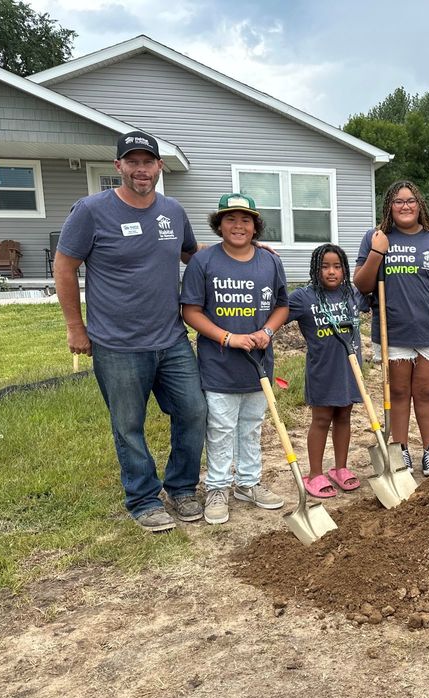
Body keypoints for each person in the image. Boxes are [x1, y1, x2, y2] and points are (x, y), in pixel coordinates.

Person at [54, 130, 207, 533]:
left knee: (194, 411)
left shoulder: (173, 211)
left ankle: (182, 487)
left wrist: (246, 248)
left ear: (159, 166)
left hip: (171, 338)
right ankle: (142, 499)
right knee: (128, 424)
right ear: (118, 166)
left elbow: (193, 254)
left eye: (148, 161)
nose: (141, 169)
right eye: (133, 161)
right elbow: (64, 266)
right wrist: (75, 326)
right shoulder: (90, 211)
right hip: (117, 344)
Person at [180, 193, 289, 525]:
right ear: (219, 225)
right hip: (219, 365)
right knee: (221, 427)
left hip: (257, 365)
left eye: (245, 220)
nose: (238, 226)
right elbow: (190, 311)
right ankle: (216, 487)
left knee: (252, 426)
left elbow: (282, 306)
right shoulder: (205, 262)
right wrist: (228, 337)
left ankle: (248, 482)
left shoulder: (270, 262)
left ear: (255, 226)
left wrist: (266, 333)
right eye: (230, 219)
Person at [353, 180, 429, 476]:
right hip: (393, 331)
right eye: (398, 201)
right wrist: (377, 252)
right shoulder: (376, 237)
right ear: (389, 206)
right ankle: (401, 451)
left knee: (426, 392)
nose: (405, 206)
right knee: (397, 392)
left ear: (419, 204)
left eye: (410, 200)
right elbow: (361, 284)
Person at [280, 244, 368, 498]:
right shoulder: (303, 297)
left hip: (350, 370)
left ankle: (340, 468)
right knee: (321, 419)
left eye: (337, 266)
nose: (331, 272)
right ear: (315, 269)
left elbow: (372, 296)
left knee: (344, 417)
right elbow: (278, 313)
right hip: (322, 370)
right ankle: (315, 473)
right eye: (325, 266)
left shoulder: (352, 294)